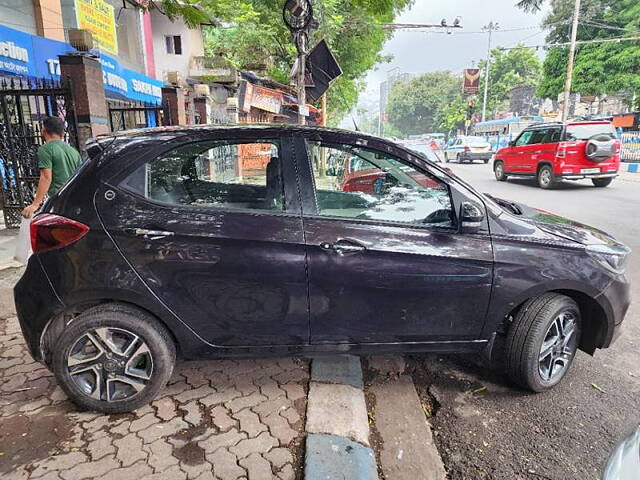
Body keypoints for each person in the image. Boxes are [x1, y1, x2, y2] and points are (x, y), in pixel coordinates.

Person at [22, 117, 82, 218]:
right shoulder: (73, 151)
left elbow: (46, 177)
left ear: (44, 130)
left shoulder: (45, 149)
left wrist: (35, 204)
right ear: (62, 133)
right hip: (75, 199)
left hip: (59, 199)